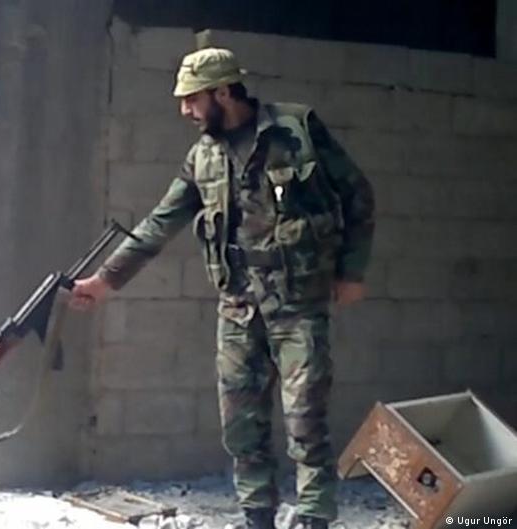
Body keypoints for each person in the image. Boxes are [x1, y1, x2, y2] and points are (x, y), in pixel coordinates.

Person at [70, 47, 375, 529]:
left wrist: (352, 271)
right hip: (237, 308)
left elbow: (357, 194)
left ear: (223, 91)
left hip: (297, 304)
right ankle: (257, 516)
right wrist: (106, 281)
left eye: (192, 100)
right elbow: (158, 223)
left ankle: (315, 516)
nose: (185, 112)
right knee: (241, 425)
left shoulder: (295, 130)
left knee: (306, 420)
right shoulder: (203, 157)